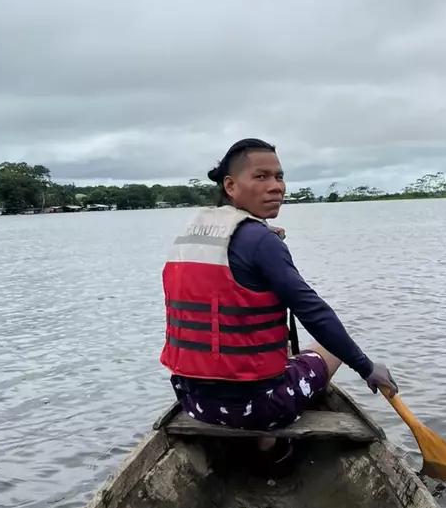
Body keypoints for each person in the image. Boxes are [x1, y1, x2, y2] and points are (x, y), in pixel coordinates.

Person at [159, 138, 398, 461]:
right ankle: (267, 444)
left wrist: (264, 235)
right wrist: (367, 367)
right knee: (329, 348)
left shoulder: (193, 235)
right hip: (257, 409)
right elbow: (314, 312)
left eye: (279, 177)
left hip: (193, 401)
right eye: (261, 177)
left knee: (273, 353)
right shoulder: (260, 242)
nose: (276, 187)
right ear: (230, 185)